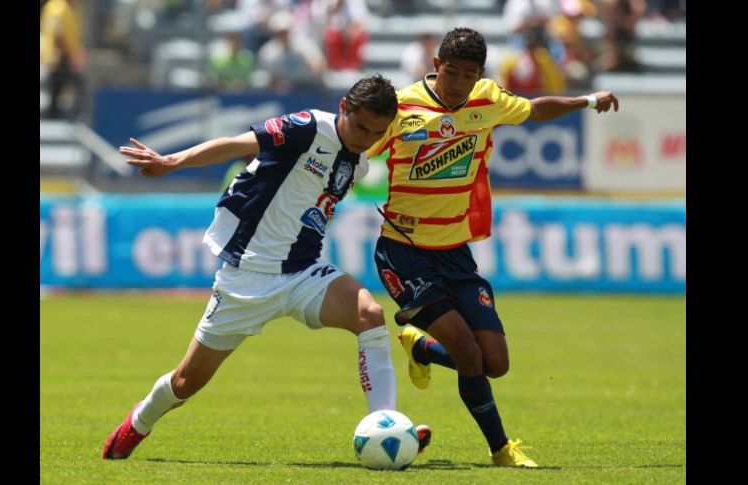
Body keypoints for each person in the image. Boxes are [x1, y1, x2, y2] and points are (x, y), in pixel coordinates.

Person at [102, 74, 431, 460]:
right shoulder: (308, 126)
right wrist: (173, 161)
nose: (365, 138)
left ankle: (385, 425)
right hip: (247, 276)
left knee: (369, 314)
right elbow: (235, 144)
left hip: (303, 271)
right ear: (344, 106)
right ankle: (137, 424)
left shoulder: (358, 164)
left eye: (377, 132)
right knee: (187, 381)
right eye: (360, 126)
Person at [367, 27, 619, 468]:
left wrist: (588, 100)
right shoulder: (402, 107)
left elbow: (535, 109)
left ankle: (421, 347)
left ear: (479, 74)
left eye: (469, 74)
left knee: (494, 363)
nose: (459, 82)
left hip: (455, 251)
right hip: (403, 250)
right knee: (468, 353)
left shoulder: (488, 99)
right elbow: (354, 147)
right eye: (451, 72)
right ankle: (501, 449)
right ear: (435, 66)